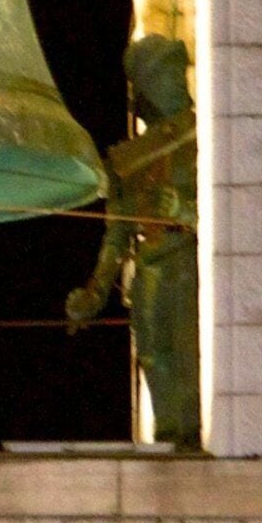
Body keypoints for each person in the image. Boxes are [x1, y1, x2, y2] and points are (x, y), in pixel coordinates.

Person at [67, 33, 200, 449]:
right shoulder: (130, 159)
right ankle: (168, 433)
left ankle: (192, 434)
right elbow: (117, 232)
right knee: (153, 355)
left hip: (188, 263)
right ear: (146, 87)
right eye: (163, 74)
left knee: (187, 349)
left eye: (176, 71)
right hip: (149, 267)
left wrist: (186, 210)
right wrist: (96, 290)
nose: (175, 81)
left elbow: (236, 208)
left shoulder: (208, 137)